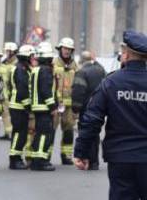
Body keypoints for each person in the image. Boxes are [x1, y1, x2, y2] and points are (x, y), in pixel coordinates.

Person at [74, 31, 147, 199]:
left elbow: (92, 120)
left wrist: (82, 152)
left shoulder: (111, 82)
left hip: (120, 157)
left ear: (126, 55)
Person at [71, 50, 106, 170]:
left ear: (81, 61)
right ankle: (94, 161)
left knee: (85, 134)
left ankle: (86, 159)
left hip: (86, 108)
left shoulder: (81, 72)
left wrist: (75, 108)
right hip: (99, 108)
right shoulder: (101, 70)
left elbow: (78, 91)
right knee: (95, 134)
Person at [29, 42, 57, 171]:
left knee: (39, 133)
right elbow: (46, 90)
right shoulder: (46, 70)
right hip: (44, 107)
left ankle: (35, 160)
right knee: (45, 134)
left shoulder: (36, 69)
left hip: (36, 106)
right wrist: (52, 107)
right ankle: (41, 161)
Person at [52, 37, 78, 165]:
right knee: (51, 129)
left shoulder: (75, 66)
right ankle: (46, 155)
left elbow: (78, 85)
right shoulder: (54, 63)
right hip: (56, 104)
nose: (66, 51)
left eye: (69, 49)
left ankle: (66, 155)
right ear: (60, 49)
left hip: (69, 105)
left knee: (68, 131)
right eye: (64, 48)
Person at [8, 44, 34, 170]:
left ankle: (16, 158)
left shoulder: (22, 68)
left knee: (20, 133)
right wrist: (28, 106)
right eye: (32, 55)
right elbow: (22, 89)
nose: (33, 58)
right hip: (19, 107)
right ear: (27, 56)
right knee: (19, 134)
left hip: (18, 106)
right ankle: (15, 159)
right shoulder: (21, 69)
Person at [0, 42, 17, 140]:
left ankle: (10, 133)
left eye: (9, 51)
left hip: (10, 93)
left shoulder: (15, 64)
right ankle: (7, 132)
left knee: (8, 114)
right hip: (3, 92)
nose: (7, 53)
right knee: (5, 113)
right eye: (6, 51)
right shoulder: (5, 62)